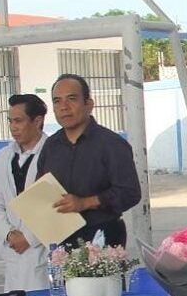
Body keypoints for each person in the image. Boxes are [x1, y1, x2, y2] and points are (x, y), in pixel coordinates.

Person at [37, 74, 141, 248]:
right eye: (57, 101)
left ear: (88, 104)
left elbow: (130, 193)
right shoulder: (51, 146)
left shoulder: (111, 144)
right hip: (61, 239)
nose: (64, 107)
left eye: (71, 99)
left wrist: (85, 203)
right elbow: (41, 188)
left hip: (102, 236)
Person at [0, 94, 50, 291]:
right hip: (12, 251)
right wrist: (8, 234)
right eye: (10, 121)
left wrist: (29, 238)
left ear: (37, 121)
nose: (13, 127)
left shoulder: (53, 153)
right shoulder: (3, 156)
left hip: (43, 250)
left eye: (19, 121)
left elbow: (56, 205)